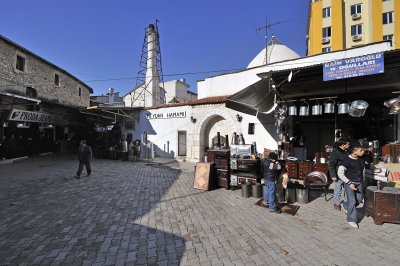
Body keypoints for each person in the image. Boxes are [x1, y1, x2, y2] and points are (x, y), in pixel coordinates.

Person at [337, 143, 365, 228]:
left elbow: (362, 171)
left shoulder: (361, 159)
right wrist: (349, 183)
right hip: (350, 183)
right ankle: (351, 219)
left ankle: (345, 205)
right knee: (352, 201)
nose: (363, 152)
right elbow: (340, 173)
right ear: (355, 152)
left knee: (359, 200)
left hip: (359, 182)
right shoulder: (346, 160)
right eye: (361, 150)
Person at [328, 138, 350, 211]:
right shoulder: (335, 153)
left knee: (347, 190)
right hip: (338, 175)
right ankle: (336, 203)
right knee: (338, 189)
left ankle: (346, 204)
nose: (349, 145)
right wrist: (333, 175)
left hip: (347, 174)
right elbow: (331, 164)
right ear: (343, 145)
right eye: (348, 144)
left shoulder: (347, 151)